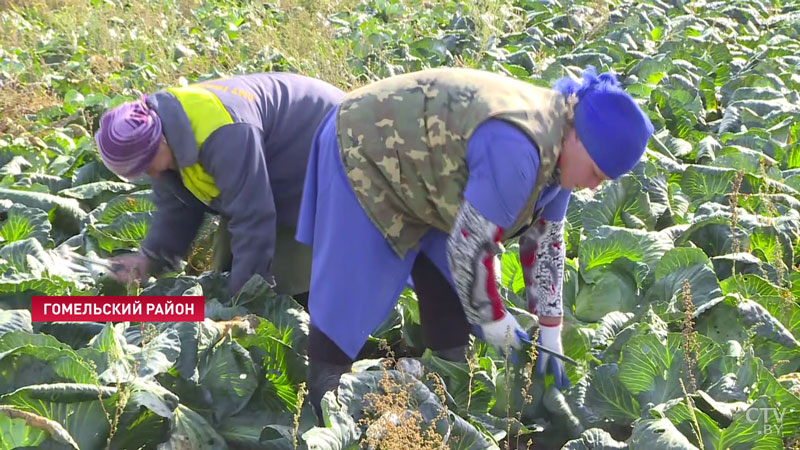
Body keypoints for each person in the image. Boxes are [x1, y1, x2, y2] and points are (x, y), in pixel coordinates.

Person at [294, 66, 654, 419]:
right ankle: (324, 390)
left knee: (445, 282)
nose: (593, 186)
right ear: (578, 137)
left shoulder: (562, 157)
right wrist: (495, 321)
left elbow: (545, 244)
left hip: (432, 177)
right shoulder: (520, 151)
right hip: (368, 144)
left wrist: (550, 330)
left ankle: (446, 382)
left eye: (603, 181)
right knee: (352, 278)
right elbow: (468, 251)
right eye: (595, 172)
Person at [94, 73, 345, 298]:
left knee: (292, 274)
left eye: (147, 166)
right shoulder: (162, 132)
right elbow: (177, 209)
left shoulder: (224, 134)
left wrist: (246, 302)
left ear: (159, 142)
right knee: (228, 264)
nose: (150, 173)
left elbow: (253, 217)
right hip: (267, 160)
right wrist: (148, 261)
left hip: (326, 142)